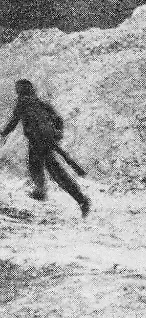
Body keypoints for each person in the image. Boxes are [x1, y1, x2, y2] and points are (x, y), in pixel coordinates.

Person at [0, 79, 91, 217]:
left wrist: (2, 134)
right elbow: (58, 119)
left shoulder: (22, 104)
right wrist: (56, 135)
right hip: (44, 143)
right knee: (50, 171)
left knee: (46, 170)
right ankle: (78, 199)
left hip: (38, 143)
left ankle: (46, 192)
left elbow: (12, 123)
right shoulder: (41, 103)